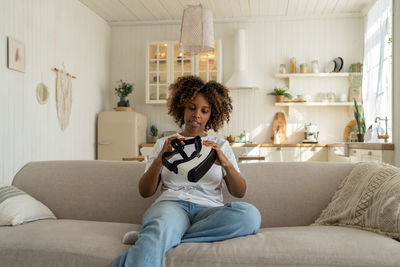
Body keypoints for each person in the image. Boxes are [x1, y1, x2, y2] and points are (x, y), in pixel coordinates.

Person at [112, 76, 261, 267]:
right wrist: (160, 159)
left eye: (204, 110)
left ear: (211, 115)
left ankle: (153, 237)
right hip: (171, 206)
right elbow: (145, 192)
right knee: (163, 223)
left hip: (209, 211)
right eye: (192, 107)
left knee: (250, 216)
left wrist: (225, 163)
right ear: (182, 108)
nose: (197, 114)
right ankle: (158, 233)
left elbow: (240, 192)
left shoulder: (221, 145)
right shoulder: (164, 144)